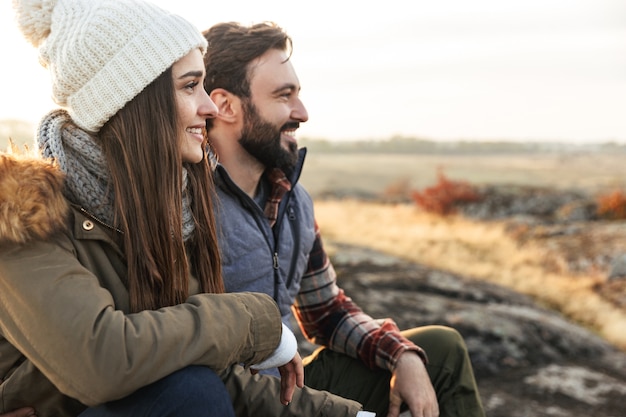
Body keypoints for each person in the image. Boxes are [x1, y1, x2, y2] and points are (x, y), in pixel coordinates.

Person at [0, 1, 307, 416]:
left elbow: (200, 368)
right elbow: (102, 361)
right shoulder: (24, 217)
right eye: (189, 86)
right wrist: (253, 322)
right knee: (191, 393)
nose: (209, 107)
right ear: (133, 98)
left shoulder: (164, 210)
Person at [203, 21, 487, 417]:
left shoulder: (293, 200)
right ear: (226, 105)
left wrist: (400, 355)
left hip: (287, 386)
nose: (301, 113)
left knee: (440, 351)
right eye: (284, 96)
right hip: (223, 400)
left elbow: (326, 313)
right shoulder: (185, 204)